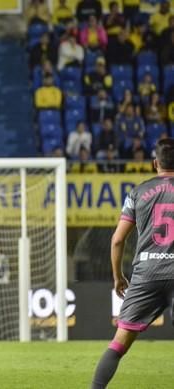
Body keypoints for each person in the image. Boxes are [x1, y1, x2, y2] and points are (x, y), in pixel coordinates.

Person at [91, 138, 174, 388]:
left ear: (154, 163)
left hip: (147, 274)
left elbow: (117, 241)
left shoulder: (138, 192)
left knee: (118, 344)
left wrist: (118, 278)